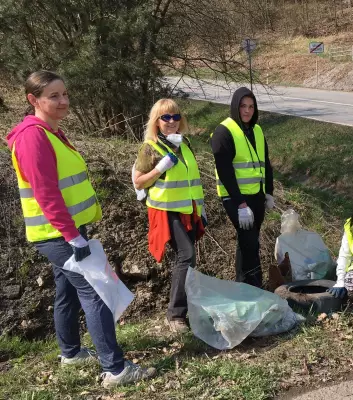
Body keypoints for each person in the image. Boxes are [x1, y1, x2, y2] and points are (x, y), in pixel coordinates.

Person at [6, 70, 155, 388]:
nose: (63, 101)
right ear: (34, 100)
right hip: (57, 232)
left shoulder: (51, 132)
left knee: (68, 290)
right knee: (95, 292)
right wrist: (72, 235)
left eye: (65, 94)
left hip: (64, 229)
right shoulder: (33, 137)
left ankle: (71, 352)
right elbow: (46, 193)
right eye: (54, 96)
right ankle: (115, 370)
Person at [133, 99, 205, 333]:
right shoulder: (150, 147)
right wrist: (159, 169)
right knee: (186, 255)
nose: (172, 122)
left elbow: (191, 181)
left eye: (175, 117)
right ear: (157, 121)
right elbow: (138, 181)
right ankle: (175, 315)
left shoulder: (185, 144)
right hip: (166, 210)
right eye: (166, 118)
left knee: (186, 258)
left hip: (187, 209)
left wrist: (200, 212)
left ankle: (186, 308)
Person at [210, 87, 275, 288]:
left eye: (251, 106)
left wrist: (269, 192)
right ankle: (255, 289)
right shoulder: (223, 132)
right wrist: (240, 204)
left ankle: (242, 286)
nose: (247, 111)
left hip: (256, 195)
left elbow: (265, 162)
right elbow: (225, 172)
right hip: (236, 198)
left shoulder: (256, 130)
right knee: (251, 244)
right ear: (235, 106)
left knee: (247, 242)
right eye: (243, 106)